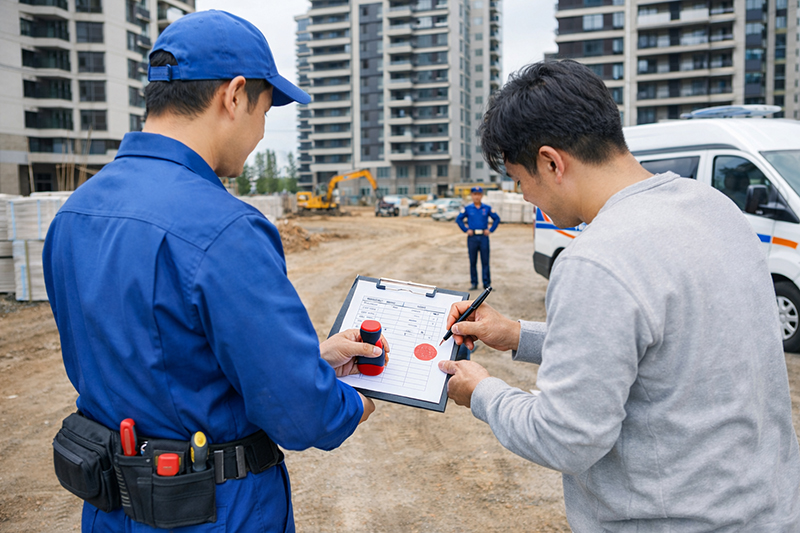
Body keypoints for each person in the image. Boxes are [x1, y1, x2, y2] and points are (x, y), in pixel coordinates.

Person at [43, 10, 386, 532]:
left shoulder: (75, 213)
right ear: (235, 95)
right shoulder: (225, 229)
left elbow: (167, 366)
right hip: (217, 512)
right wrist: (351, 403)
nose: (261, 133)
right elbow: (300, 414)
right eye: (265, 112)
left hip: (112, 509)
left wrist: (312, 360)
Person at [439, 60, 800, 531]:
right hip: (770, 511)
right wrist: (516, 335)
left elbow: (565, 438)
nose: (525, 196)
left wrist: (481, 392)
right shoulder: (715, 207)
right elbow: (662, 345)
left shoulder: (595, 259)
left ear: (551, 162)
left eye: (520, 180)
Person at [456, 187, 500, 290]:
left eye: (479, 194)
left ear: (482, 195)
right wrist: (466, 229)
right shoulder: (468, 208)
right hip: (472, 238)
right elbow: (458, 219)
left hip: (483, 237)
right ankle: (474, 283)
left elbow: (497, 219)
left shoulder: (487, 208)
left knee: (485, 261)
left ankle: (486, 284)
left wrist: (491, 230)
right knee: (473, 261)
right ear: (471, 195)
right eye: (474, 194)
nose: (477, 197)